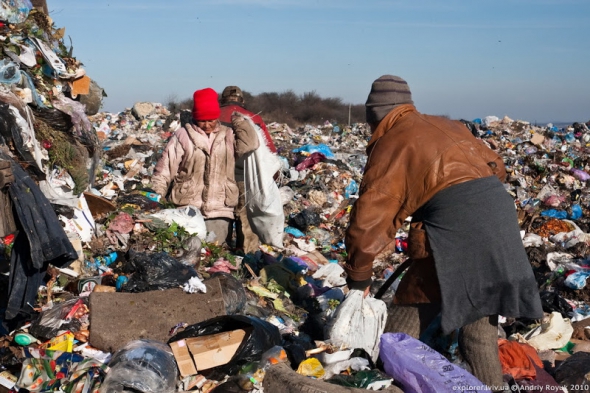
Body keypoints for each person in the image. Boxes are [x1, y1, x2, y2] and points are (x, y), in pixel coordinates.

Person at [344, 75, 543, 390]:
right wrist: (438, 202)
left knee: (475, 331)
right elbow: (497, 166)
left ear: (376, 115)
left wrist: (358, 282)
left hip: (462, 226)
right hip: (492, 214)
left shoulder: (394, 141)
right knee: (434, 302)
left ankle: (478, 387)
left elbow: (370, 219)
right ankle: (390, 363)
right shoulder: (444, 125)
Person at [152, 88, 259, 244]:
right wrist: (156, 197)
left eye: (211, 120)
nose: (207, 125)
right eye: (203, 120)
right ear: (195, 117)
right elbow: (165, 169)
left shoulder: (228, 135)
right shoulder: (183, 136)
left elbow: (250, 144)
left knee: (214, 257)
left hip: (220, 210)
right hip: (187, 210)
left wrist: (239, 121)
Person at [218, 85, 277, 253]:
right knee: (246, 219)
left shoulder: (212, 116)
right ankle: (247, 258)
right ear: (242, 100)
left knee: (222, 215)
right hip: (247, 175)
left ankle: (220, 255)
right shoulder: (252, 118)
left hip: (218, 175)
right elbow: (269, 150)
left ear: (222, 100)